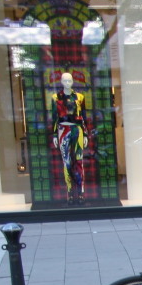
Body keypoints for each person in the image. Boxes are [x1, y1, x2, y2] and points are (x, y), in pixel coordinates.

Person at [50, 71, 91, 204]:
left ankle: (81, 192)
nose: (67, 83)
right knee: (66, 162)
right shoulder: (55, 97)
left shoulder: (79, 97)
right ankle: (70, 192)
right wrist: (55, 134)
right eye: (65, 80)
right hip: (63, 129)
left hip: (77, 129)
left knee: (79, 161)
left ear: (73, 81)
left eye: (70, 80)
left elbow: (84, 117)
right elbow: (54, 118)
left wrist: (85, 134)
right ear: (61, 82)